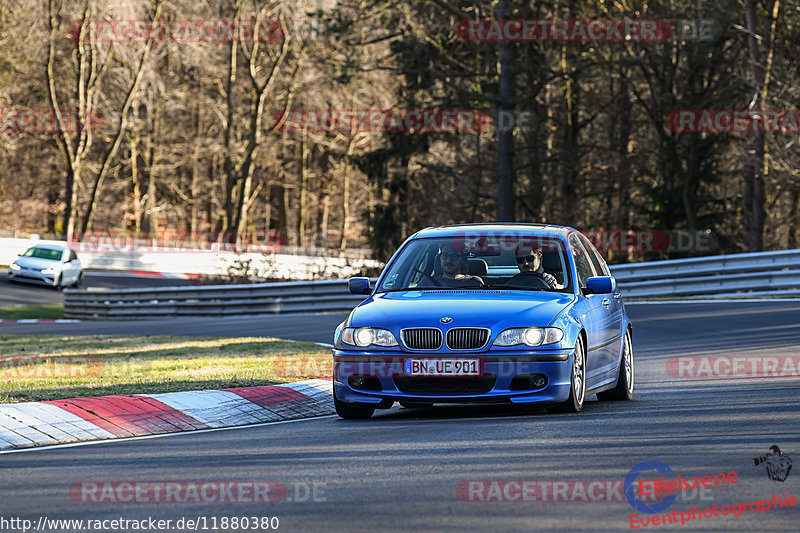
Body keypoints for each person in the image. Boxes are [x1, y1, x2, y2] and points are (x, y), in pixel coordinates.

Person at [417, 244, 484, 288]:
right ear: (439, 258)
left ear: (463, 259)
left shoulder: (474, 282)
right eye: (445, 255)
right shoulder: (426, 283)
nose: (449, 260)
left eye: (454, 256)